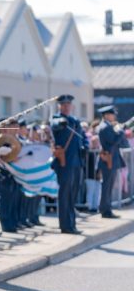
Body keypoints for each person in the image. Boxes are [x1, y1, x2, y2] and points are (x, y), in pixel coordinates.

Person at [50, 95, 88, 234]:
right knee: (65, 194)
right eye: (63, 105)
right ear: (59, 106)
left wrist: (85, 146)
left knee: (73, 194)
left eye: (68, 105)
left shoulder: (75, 120)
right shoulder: (56, 119)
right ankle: (65, 225)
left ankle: (72, 224)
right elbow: (55, 125)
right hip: (65, 162)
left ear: (71, 106)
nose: (66, 107)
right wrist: (62, 121)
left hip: (77, 161)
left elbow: (83, 137)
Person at [97, 105, 126, 218]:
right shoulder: (106, 127)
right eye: (112, 114)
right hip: (108, 159)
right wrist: (121, 132)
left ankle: (106, 209)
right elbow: (113, 142)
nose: (114, 116)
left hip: (110, 158)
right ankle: (105, 210)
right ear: (106, 115)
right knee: (107, 186)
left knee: (108, 185)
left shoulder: (107, 126)